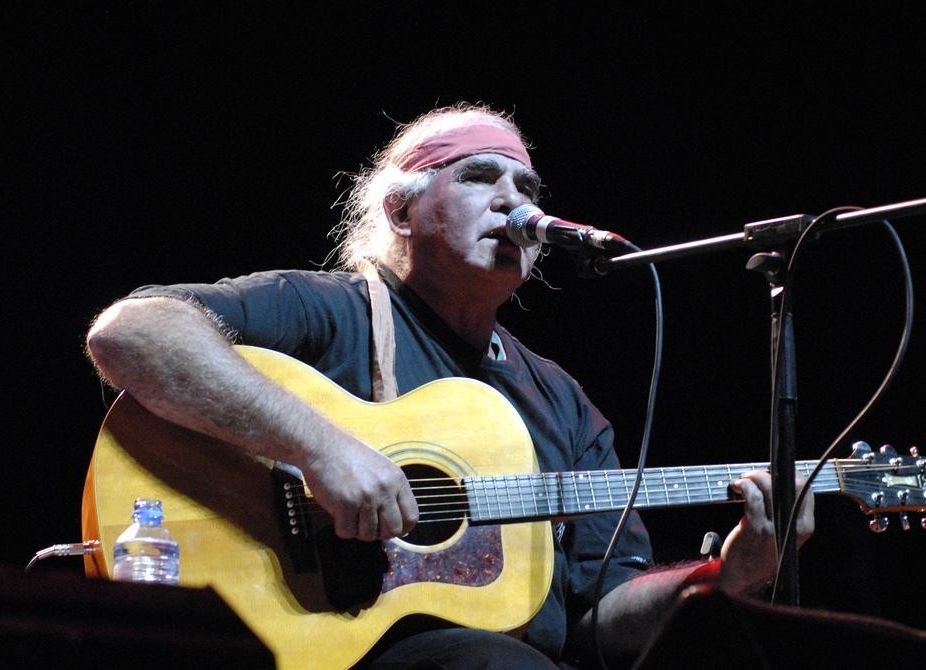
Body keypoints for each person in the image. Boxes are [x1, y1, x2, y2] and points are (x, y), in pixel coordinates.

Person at [85, 102, 815, 668]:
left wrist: (729, 575)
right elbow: (132, 333)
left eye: (526, 185)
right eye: (478, 176)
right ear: (401, 209)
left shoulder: (564, 404)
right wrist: (320, 449)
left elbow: (603, 620)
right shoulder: (330, 310)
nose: (514, 203)